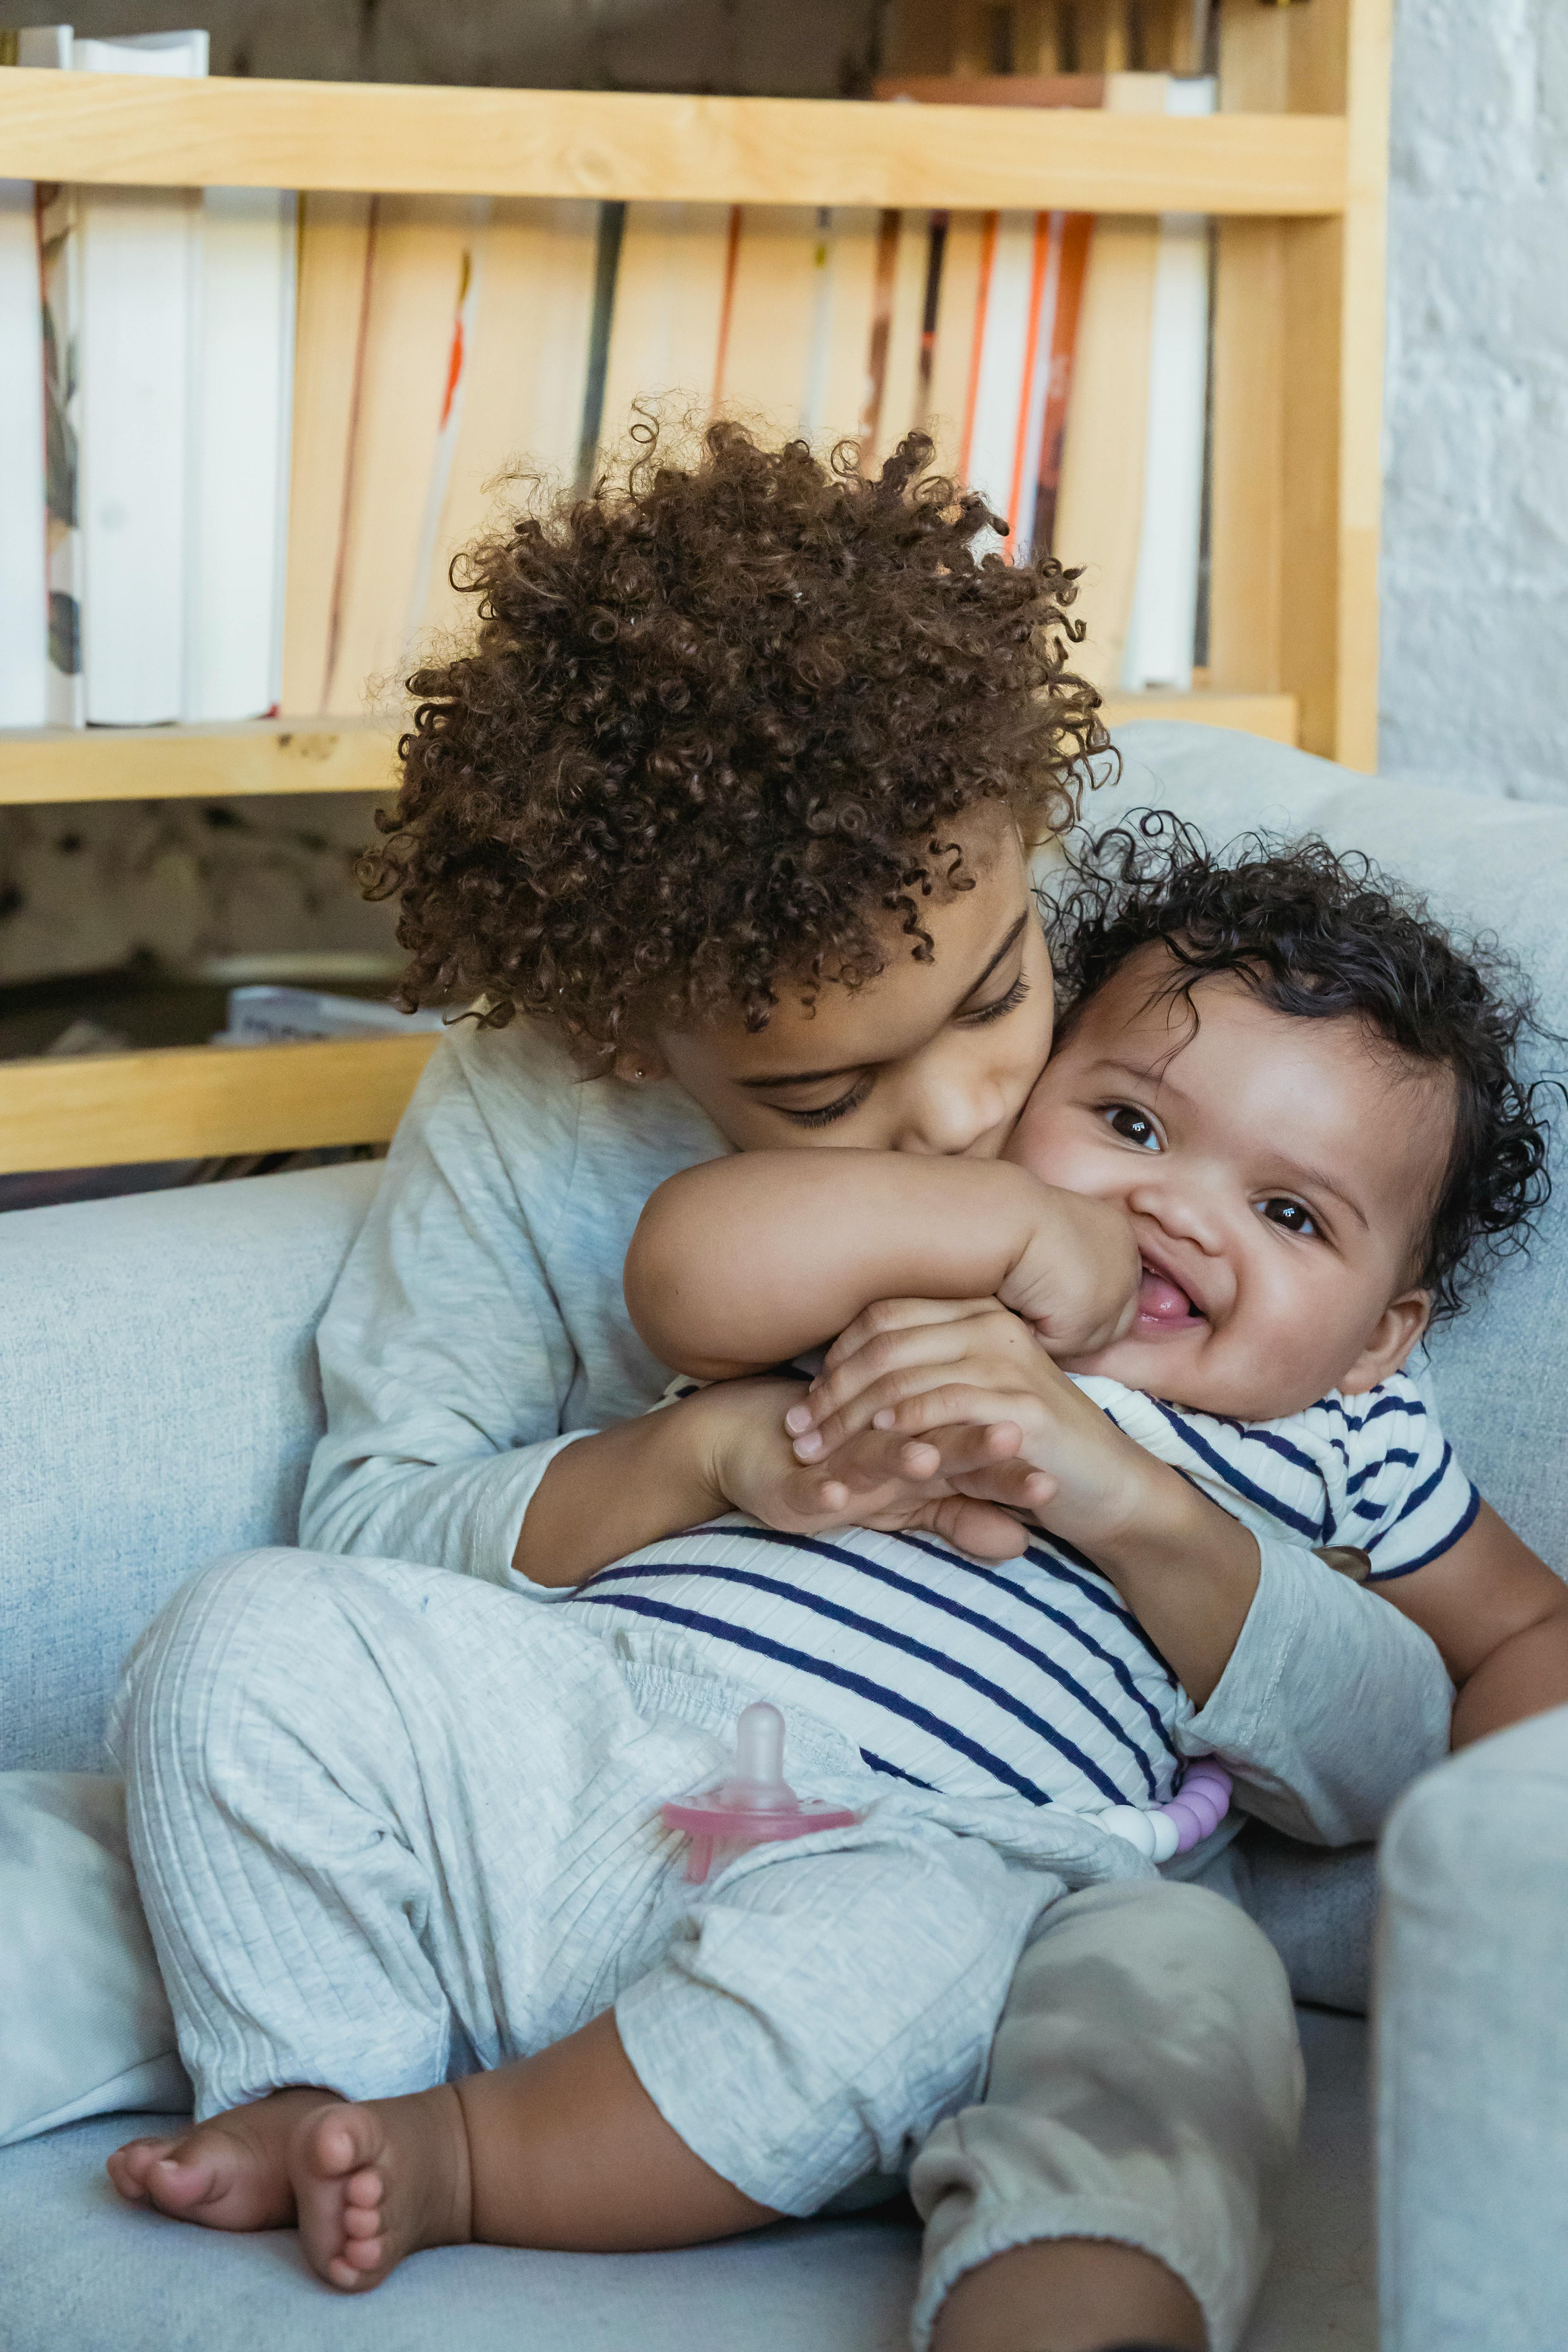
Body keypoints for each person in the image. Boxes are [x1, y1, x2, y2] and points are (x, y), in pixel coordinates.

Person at [104, 430, 1456, 2352]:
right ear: (617, 1031)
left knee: (1092, 1987)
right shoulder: (529, 1114)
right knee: (238, 1639)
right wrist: (705, 1454)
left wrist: (1115, 1482)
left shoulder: (1164, 1156)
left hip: (948, 1859)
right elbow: (373, 1528)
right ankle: (336, 2111)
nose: (977, 1115)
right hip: (609, 1757)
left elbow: (1411, 1704)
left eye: (1002, 997)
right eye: (826, 1102)